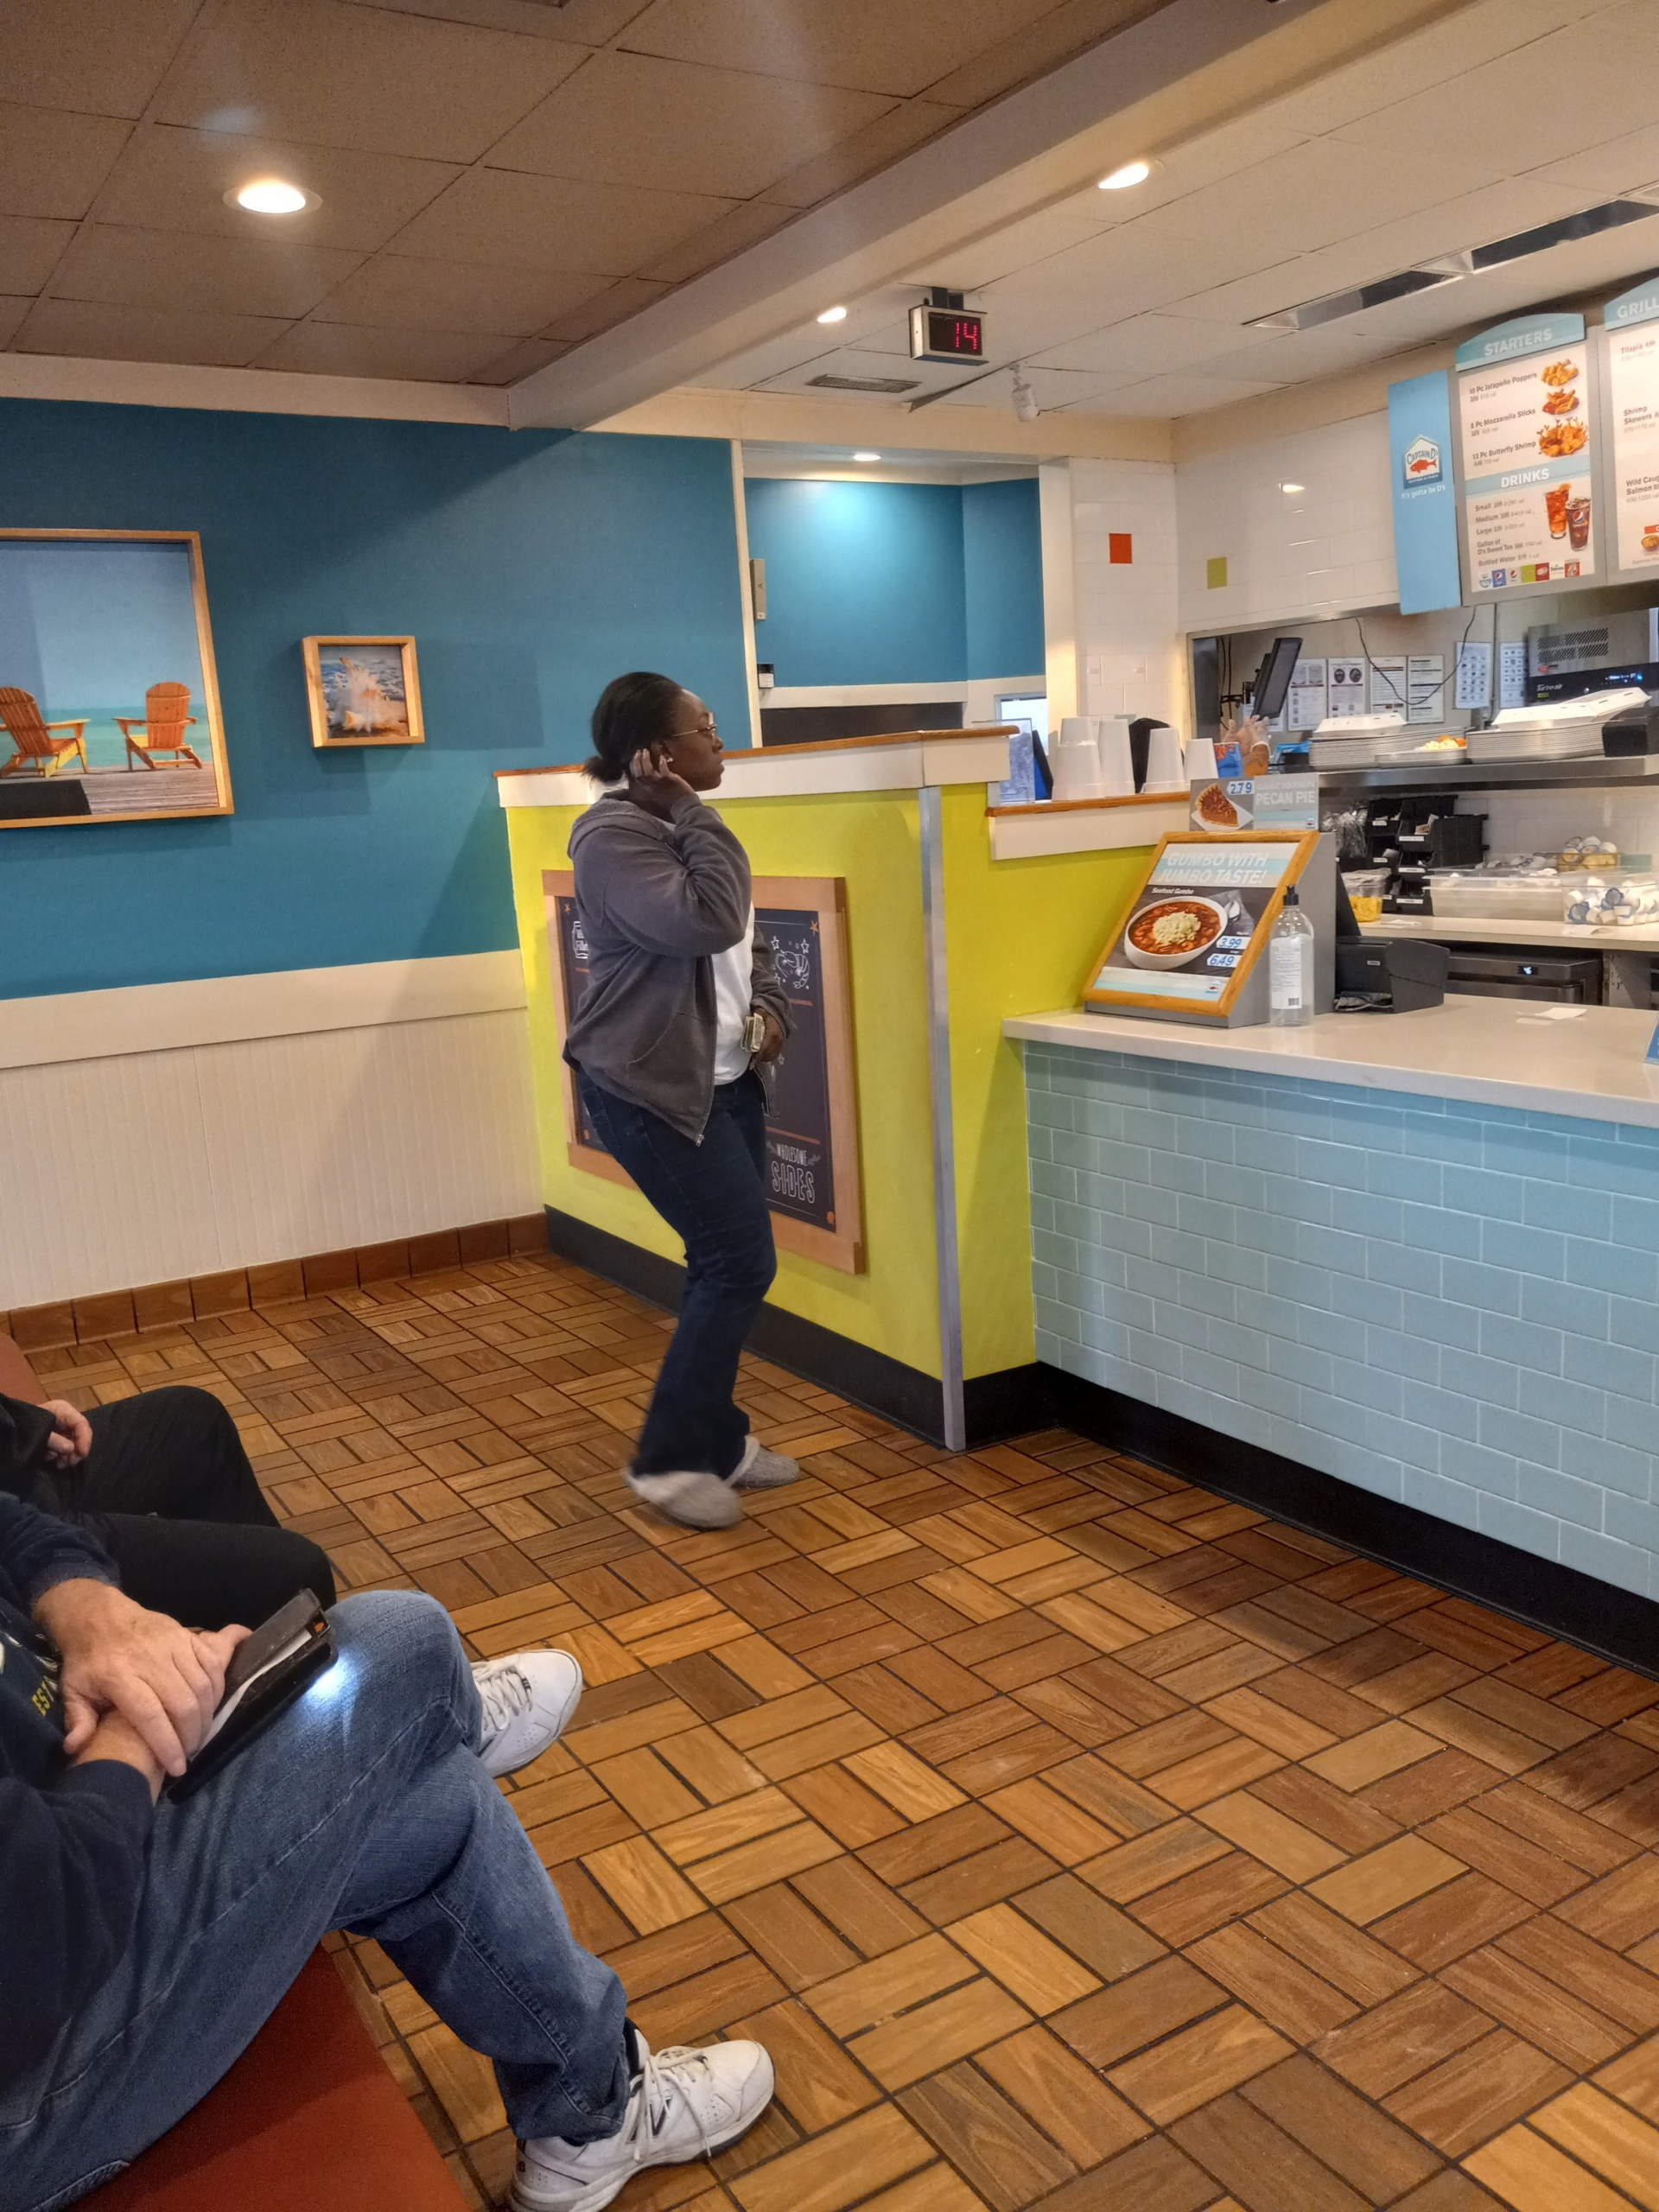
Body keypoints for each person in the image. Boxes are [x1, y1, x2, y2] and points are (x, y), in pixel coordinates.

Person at [0, 1482, 773, 2212]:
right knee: (405, 1640)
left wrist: (91, 1612)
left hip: (64, 1814)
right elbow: (44, 1919)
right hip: (35, 2057)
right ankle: (430, 1722)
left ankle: (589, 2120)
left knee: (439, 1804)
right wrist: (144, 1715)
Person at [564, 673, 802, 1531]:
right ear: (658, 753)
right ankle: (666, 1460)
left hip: (726, 1081)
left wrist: (769, 1005)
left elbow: (747, 940)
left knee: (721, 1263)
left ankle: (719, 1443)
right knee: (739, 1264)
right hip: (650, 1090)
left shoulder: (685, 828)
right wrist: (693, 811)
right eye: (705, 728)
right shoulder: (612, 839)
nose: (721, 741)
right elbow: (706, 922)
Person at [0, 1331, 336, 1630]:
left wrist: (22, 1421)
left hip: (12, 1463)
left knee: (197, 1422)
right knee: (298, 1577)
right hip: (15, 1524)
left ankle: (253, 1644)